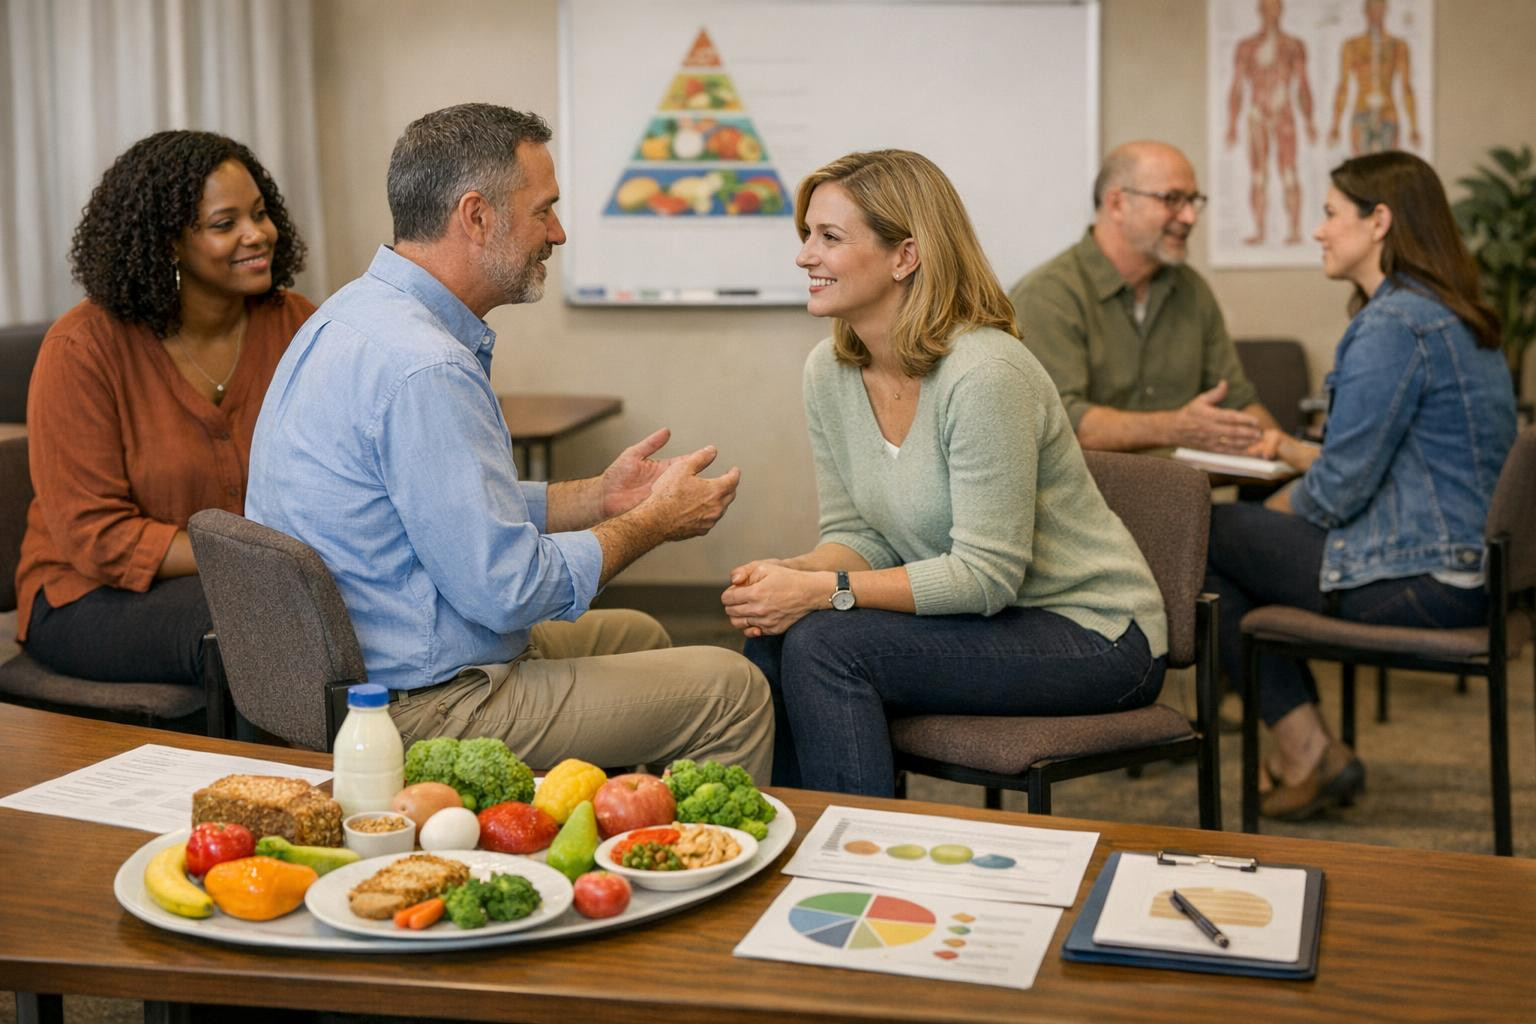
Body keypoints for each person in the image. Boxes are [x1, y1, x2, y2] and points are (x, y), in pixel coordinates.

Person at [246, 104, 772, 779]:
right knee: (733, 690)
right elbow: (510, 590)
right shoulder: (425, 367)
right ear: (476, 217)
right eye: (543, 210)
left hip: (366, 666)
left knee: (640, 634)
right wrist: (650, 525)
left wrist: (603, 498)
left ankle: (602, 845)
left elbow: (446, 505)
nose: (557, 232)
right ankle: (714, 876)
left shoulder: (351, 315)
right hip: (419, 708)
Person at [720, 150, 1169, 796]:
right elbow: (862, 535)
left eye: (829, 238)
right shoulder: (830, 372)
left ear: (905, 256)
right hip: (993, 618)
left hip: (1091, 631)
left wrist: (825, 591)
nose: (804, 257)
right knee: (779, 636)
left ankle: (855, 860)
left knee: (825, 644)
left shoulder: (986, 374)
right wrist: (792, 577)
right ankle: (801, 850)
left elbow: (986, 576)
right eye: (806, 236)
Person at [1207, 151, 1515, 820]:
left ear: (1379, 222)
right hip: (1471, 572)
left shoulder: (1392, 326)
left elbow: (1339, 493)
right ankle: (1311, 750)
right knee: (1242, 530)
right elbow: (1403, 461)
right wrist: (1292, 452)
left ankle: (1307, 751)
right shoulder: (1453, 315)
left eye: (1328, 215)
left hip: (1423, 580)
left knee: (1204, 534)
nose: (1318, 231)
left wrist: (1284, 501)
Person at [16, 130, 313, 685]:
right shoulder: (82, 349)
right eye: (226, 224)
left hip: (260, 579)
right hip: (88, 597)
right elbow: (96, 539)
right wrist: (263, 562)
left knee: (332, 603)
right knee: (264, 620)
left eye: (261, 213)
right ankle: (262, 775)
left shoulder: (297, 325)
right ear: (168, 242)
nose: (258, 235)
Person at [1009, 141, 1280, 454]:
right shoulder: (1048, 296)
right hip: (1099, 499)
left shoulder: (1192, 290)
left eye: (1193, 200)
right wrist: (1176, 428)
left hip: (1193, 496)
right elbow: (1059, 424)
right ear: (1117, 205)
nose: (1190, 217)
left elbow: (1238, 401)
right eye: (1172, 200)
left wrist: (1283, 446)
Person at [1225, 0, 1318, 246]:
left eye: (1276, 8)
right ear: (1260, 11)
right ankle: (1259, 229)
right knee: (1259, 176)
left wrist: (1309, 120)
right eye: (1267, 8)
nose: (1272, 13)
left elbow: (1303, 85)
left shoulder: (1293, 46)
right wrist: (1231, 124)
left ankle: (1295, 229)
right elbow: (1237, 87)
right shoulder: (1246, 47)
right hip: (1257, 115)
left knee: (1288, 173)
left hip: (1283, 113)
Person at [1328, 0, 1422, 155]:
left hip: (1388, 113)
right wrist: (1335, 125)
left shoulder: (1398, 45)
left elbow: (1406, 87)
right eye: (1371, 8)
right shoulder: (1352, 45)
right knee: (1361, 169)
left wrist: (1414, 126)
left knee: (1388, 168)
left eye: (1379, 8)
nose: (1375, 13)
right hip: (1362, 111)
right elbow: (1343, 87)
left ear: (1385, 10)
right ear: (1365, 11)